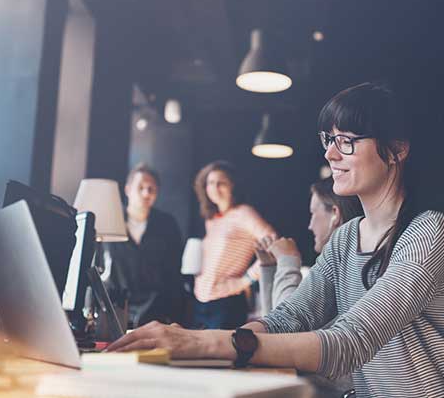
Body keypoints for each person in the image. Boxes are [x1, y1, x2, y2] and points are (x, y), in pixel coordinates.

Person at [107, 83, 444, 398]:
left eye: (347, 141)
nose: (330, 154)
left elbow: (349, 342)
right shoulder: (345, 238)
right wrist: (208, 340)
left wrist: (205, 342)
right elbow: (288, 319)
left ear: (397, 150)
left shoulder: (427, 233)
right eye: (329, 139)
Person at [256, 177, 362, 315]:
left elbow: (288, 328)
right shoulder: (339, 267)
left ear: (335, 214)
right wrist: (269, 269)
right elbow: (272, 327)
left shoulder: (342, 275)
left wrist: (288, 260)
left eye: (313, 213)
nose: (310, 226)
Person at [191, 160, 277, 329]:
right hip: (200, 302)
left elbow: (273, 244)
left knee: (221, 355)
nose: (214, 188)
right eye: (210, 183)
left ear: (233, 186)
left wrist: (247, 279)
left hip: (226, 303)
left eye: (221, 183)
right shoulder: (212, 219)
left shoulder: (244, 213)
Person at [102, 163, 184, 327]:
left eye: (151, 189)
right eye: (140, 187)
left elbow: (175, 273)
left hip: (157, 314)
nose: (146, 193)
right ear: (127, 189)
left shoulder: (168, 225)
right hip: (116, 309)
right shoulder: (111, 219)